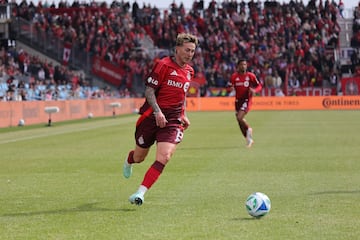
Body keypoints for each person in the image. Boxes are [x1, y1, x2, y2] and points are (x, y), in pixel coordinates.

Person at [122, 33, 199, 206]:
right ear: (177, 49)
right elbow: (149, 91)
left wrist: (183, 114)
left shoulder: (189, 71)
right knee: (139, 157)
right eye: (187, 50)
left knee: (165, 156)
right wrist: (158, 112)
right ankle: (129, 160)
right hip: (152, 117)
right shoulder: (163, 65)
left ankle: (140, 193)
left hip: (172, 120)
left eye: (193, 51)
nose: (190, 54)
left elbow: (182, 95)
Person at [228, 59, 262, 148]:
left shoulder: (250, 76)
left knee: (240, 117)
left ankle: (248, 129)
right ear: (238, 66)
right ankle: (248, 139)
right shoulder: (234, 77)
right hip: (238, 101)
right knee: (239, 121)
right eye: (242, 64)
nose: (244, 66)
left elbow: (259, 86)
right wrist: (230, 89)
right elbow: (229, 87)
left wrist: (255, 90)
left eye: (245, 64)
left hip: (246, 100)